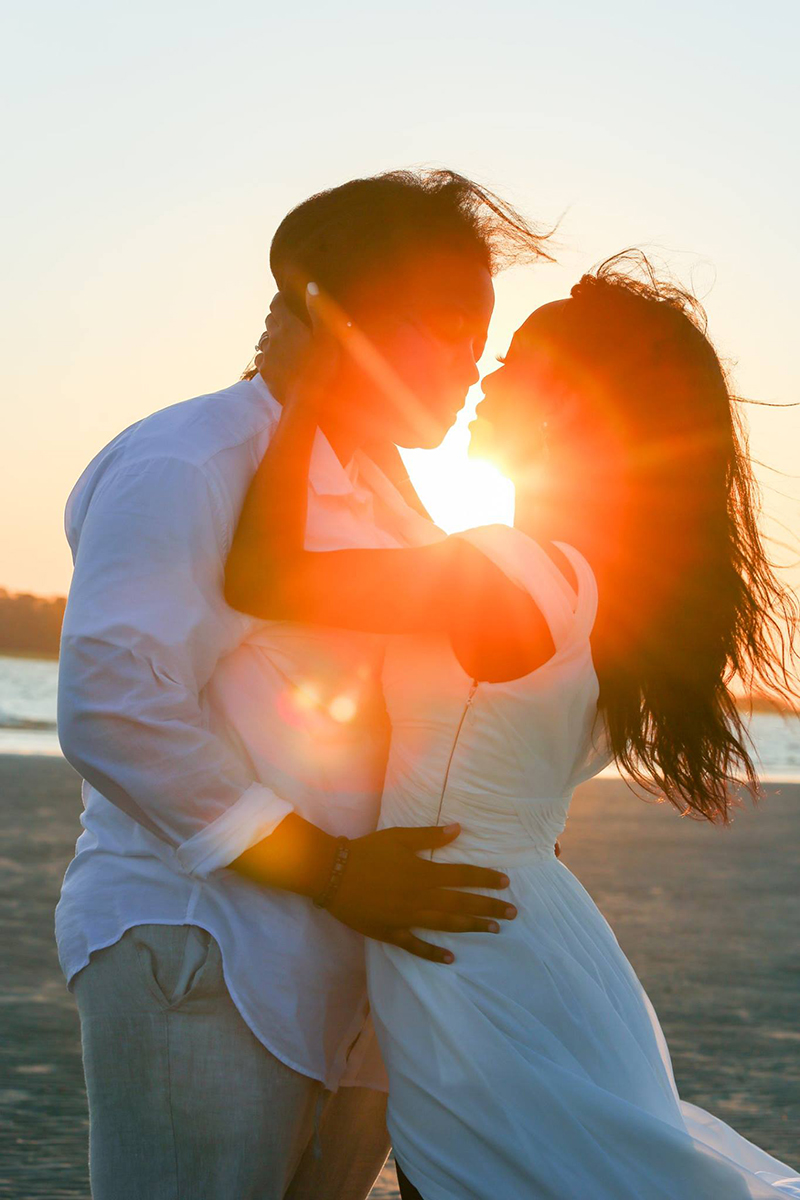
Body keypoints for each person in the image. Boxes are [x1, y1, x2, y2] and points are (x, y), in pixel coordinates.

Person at [224, 255, 800, 1198]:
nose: (488, 374)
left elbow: (263, 575)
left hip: (471, 950)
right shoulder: (616, 595)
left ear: (573, 406)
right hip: (531, 937)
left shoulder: (509, 571)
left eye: (520, 362)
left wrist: (313, 393)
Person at [55, 168, 551, 1200]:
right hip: (202, 949)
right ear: (347, 318)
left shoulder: (378, 488)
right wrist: (323, 868)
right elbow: (113, 703)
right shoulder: (189, 461)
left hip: (352, 969)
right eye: (449, 326)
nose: (472, 365)